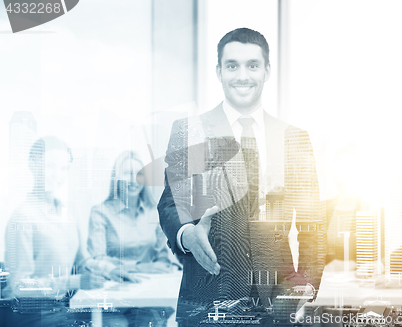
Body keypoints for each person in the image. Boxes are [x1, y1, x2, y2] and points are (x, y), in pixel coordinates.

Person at [158, 28, 325, 326]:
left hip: (276, 306)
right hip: (206, 302)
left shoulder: (292, 139)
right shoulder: (192, 131)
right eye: (232, 65)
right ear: (219, 72)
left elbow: (313, 222)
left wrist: (304, 284)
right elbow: (172, 204)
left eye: (253, 65)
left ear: (267, 71)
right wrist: (187, 235)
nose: (242, 75)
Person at [4, 136, 111, 327]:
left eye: (63, 168)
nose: (57, 174)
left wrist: (112, 270)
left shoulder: (67, 212)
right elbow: (19, 287)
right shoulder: (22, 217)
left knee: (122, 319)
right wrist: (74, 282)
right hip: (32, 316)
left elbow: (82, 260)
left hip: (62, 308)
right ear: (33, 164)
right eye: (50, 166)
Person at [85, 151, 175, 326]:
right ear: (116, 177)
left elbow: (162, 260)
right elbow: (97, 259)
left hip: (148, 293)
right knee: (118, 323)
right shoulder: (100, 212)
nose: (134, 180)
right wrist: (141, 267)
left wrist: (157, 267)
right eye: (127, 173)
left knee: (150, 320)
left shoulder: (153, 213)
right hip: (113, 292)